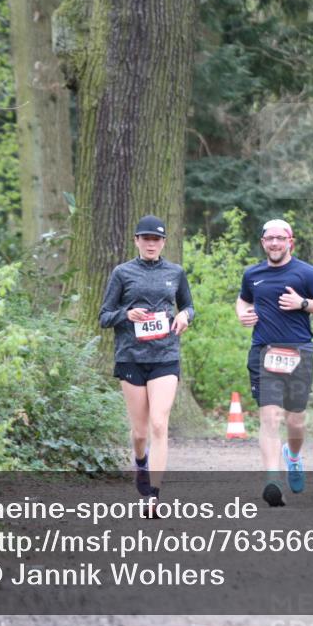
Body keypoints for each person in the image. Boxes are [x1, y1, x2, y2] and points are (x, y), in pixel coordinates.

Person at [236, 219, 313, 507]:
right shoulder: (253, 274)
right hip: (263, 352)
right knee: (270, 418)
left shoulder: (306, 273)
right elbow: (243, 300)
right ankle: (272, 480)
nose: (275, 243)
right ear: (262, 242)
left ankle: (292, 457)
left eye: (280, 238)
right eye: (269, 239)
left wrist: (304, 304)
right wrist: (242, 313)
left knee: (295, 419)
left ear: (290, 241)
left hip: (298, 351)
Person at [99, 215, 194, 516]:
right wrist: (127, 314)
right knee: (140, 432)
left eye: (157, 239)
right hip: (131, 357)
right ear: (137, 241)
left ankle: (153, 496)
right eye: (146, 238)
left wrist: (185, 317)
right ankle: (140, 461)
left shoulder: (175, 272)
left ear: (164, 242)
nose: (151, 243)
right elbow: (104, 316)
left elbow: (189, 305)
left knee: (158, 423)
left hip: (165, 355)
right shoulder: (122, 273)